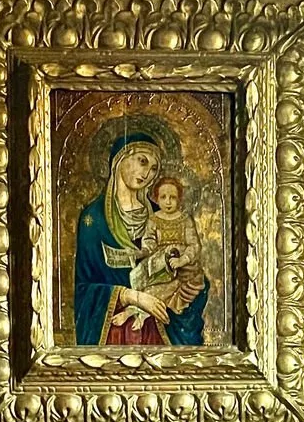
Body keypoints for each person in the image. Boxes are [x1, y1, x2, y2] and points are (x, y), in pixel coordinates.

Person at [72, 131, 208, 346]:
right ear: (120, 159)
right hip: (113, 334)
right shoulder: (93, 219)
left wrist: (193, 288)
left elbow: (189, 266)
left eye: (154, 168)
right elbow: (82, 289)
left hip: (160, 328)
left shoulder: (162, 216)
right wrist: (132, 297)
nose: (148, 174)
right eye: (142, 162)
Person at [121, 176, 206, 331]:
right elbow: (150, 243)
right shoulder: (153, 219)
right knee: (136, 276)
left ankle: (136, 313)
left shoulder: (185, 219)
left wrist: (182, 260)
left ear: (179, 199)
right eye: (163, 197)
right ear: (156, 198)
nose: (168, 202)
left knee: (154, 291)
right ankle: (135, 310)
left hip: (182, 270)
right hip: (159, 264)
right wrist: (141, 252)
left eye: (172, 197)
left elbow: (194, 245)